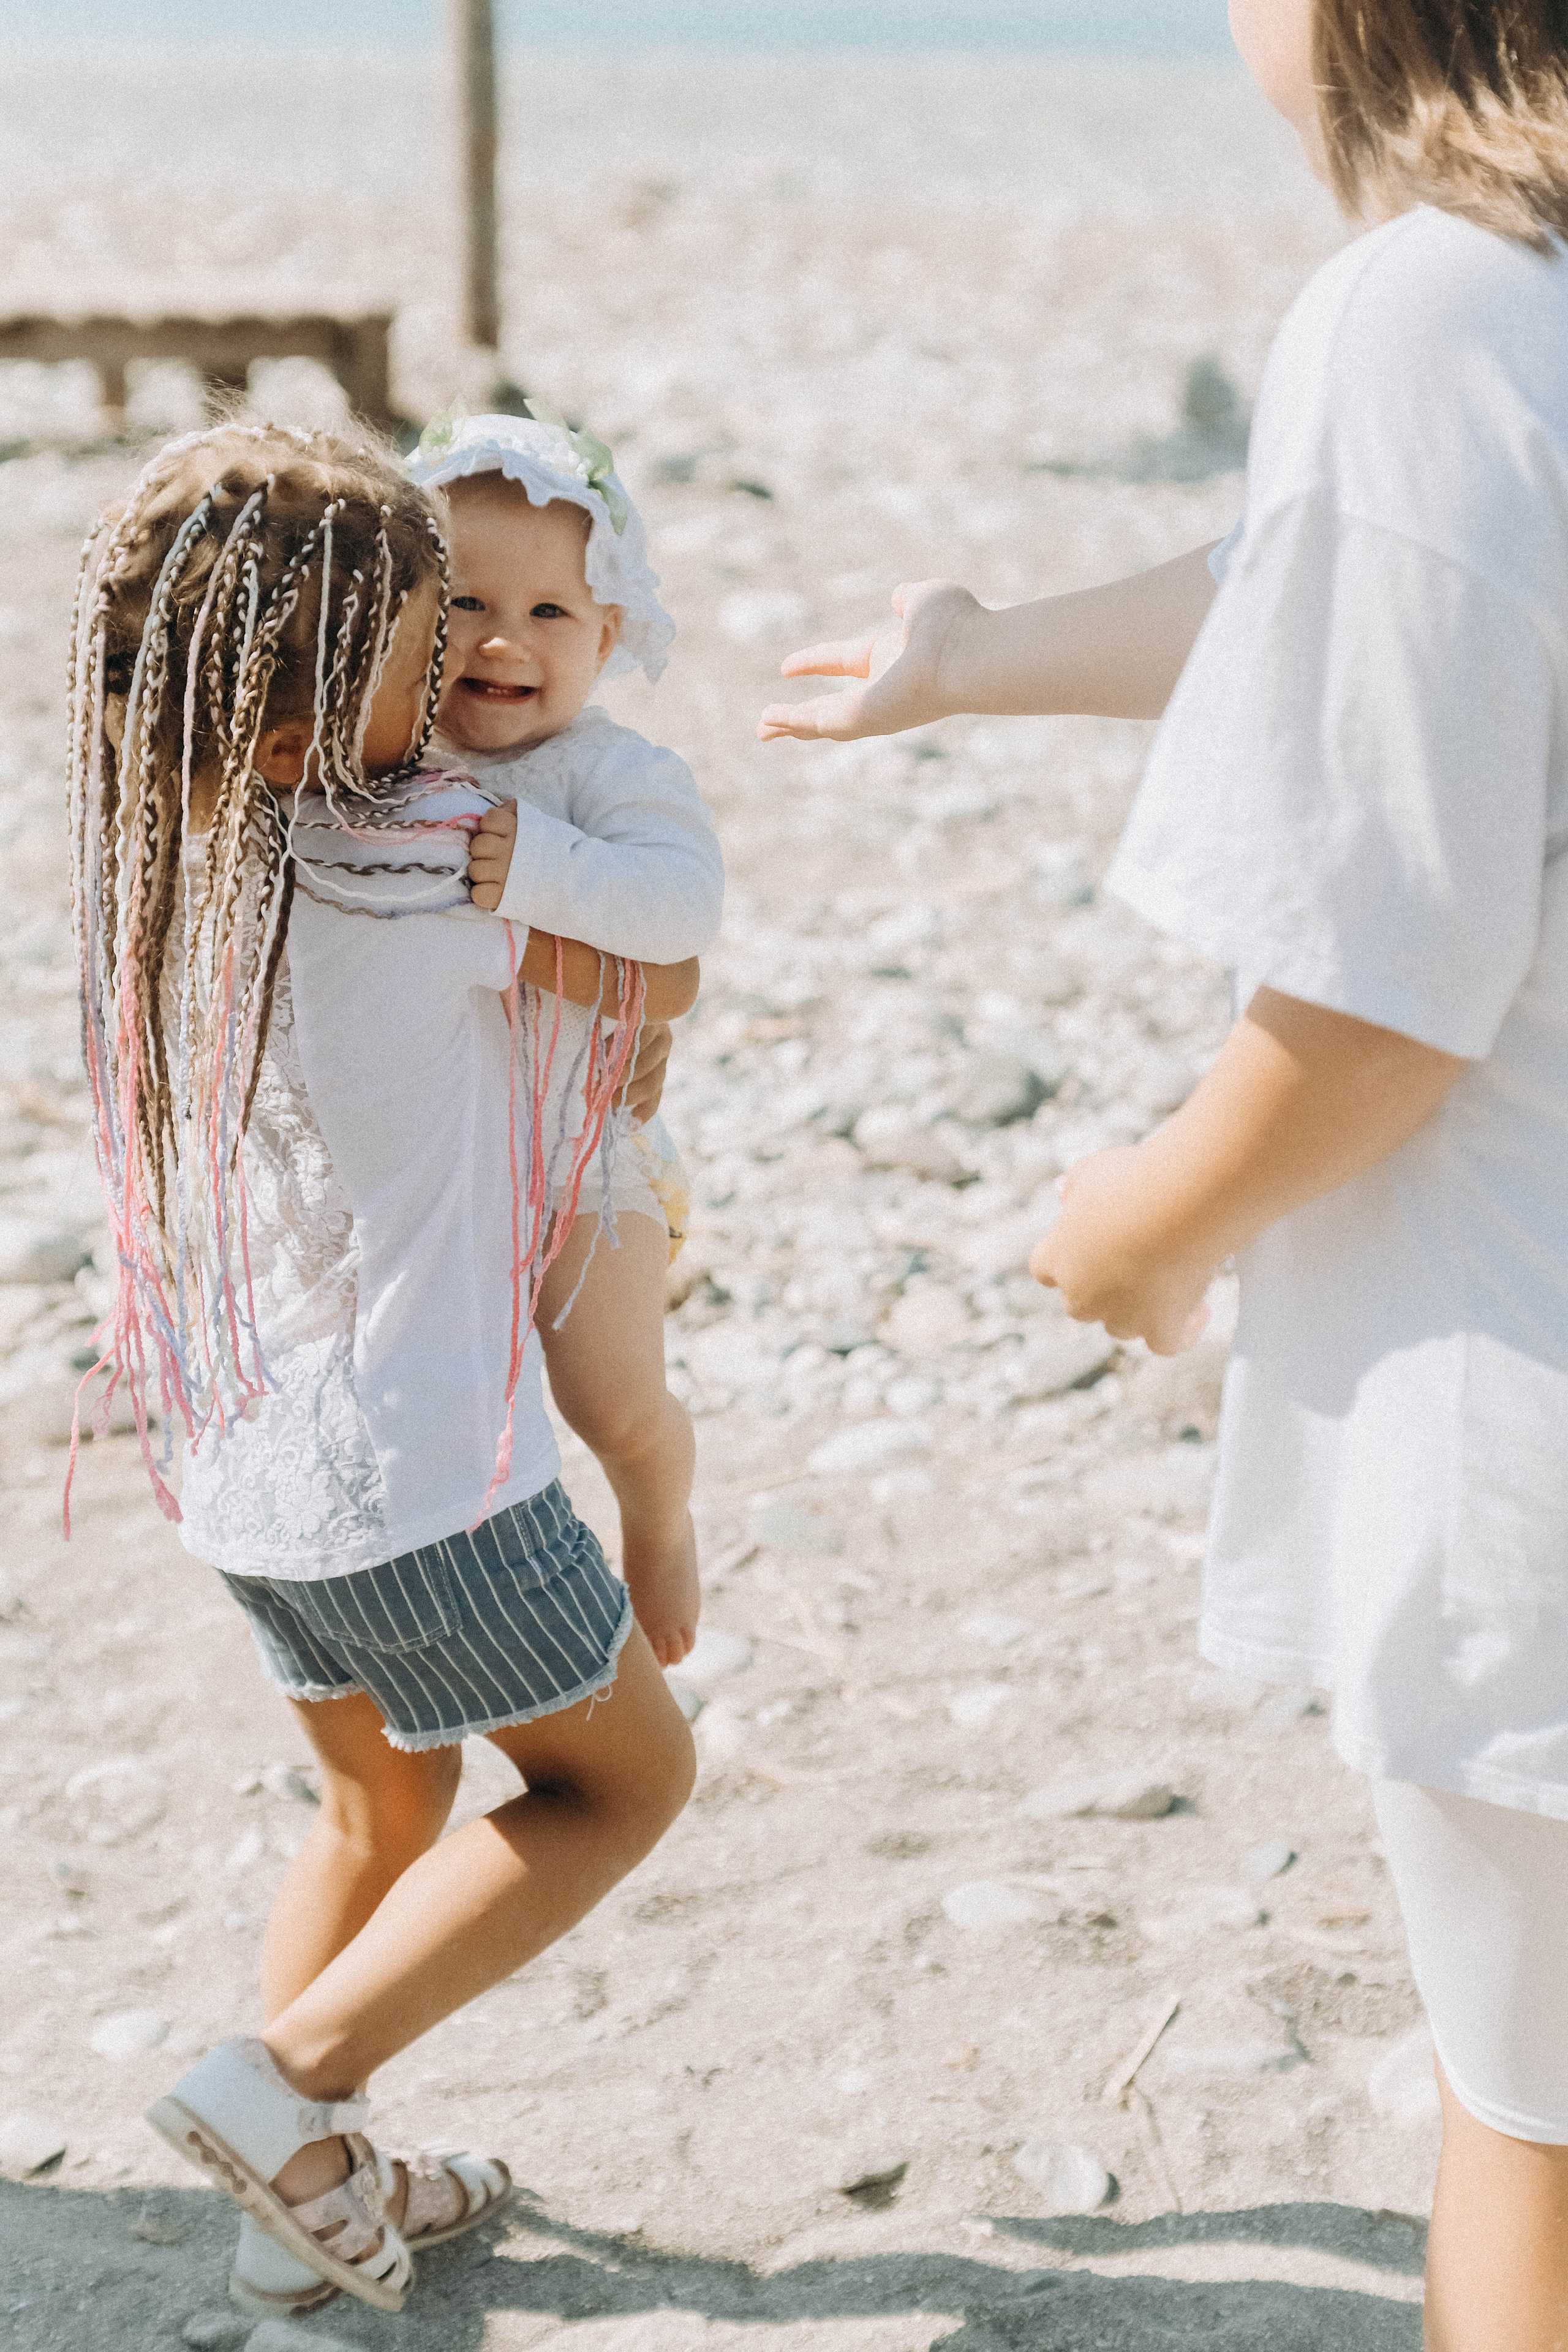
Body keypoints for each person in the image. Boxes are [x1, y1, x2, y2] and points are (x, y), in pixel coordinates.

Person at [761, 6, 1568, 2346]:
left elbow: (1386, 999)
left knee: (1526, 2129)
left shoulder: (1428, 306)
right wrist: (977, 653)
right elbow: (1341, 586)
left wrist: (1132, 1225)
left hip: (1523, 1383)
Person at [69, 419, 699, 2320]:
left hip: (248, 1471)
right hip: (420, 1469)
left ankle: (302, 2197)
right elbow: (661, 965)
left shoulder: (201, 838)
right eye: (432, 644)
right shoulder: (439, 841)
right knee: (623, 1787)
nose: (470, 679)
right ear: (302, 719)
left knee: (380, 1811)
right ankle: (288, 2090)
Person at [405, 408, 724, 1667]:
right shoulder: (386, 761)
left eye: (550, 613)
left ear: (609, 632)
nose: (501, 638)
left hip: (583, 1155)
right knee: (452, 1417)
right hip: (431, 1168)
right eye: (464, 601)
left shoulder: (608, 777)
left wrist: (535, 866)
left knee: (609, 1396)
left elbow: (678, 910)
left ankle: (655, 1506)